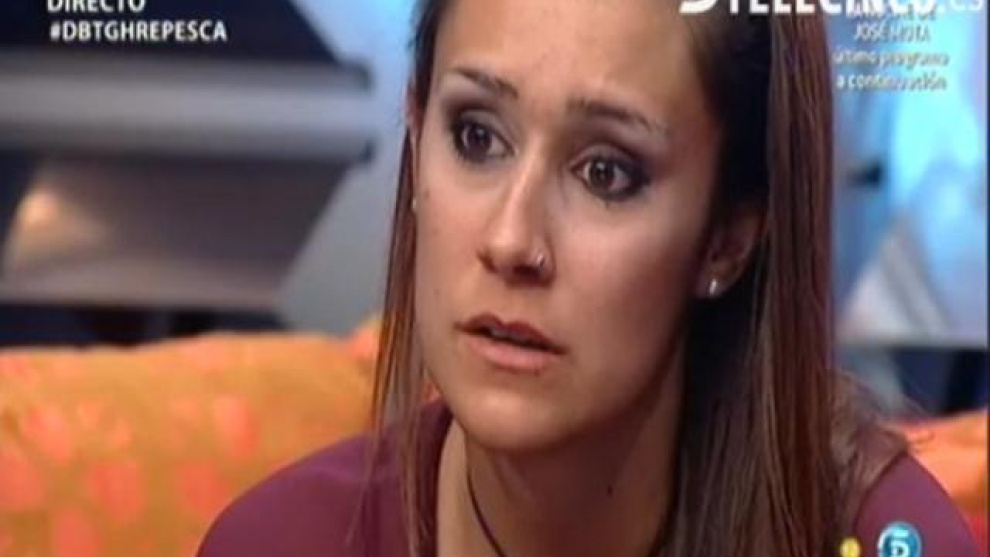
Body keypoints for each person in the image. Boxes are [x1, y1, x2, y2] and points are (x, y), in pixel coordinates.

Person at [197, 0, 980, 556]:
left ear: (728, 238)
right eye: (477, 136)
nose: (511, 241)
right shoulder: (278, 541)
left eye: (606, 172)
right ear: (415, 127)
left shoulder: (881, 537)